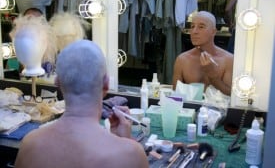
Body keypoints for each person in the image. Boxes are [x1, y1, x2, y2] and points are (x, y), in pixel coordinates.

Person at [14, 40, 149, 168]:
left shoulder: (30, 145)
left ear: (57, 82)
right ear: (106, 84)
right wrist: (125, 142)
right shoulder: (132, 155)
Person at [172, 11, 233, 96]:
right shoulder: (182, 60)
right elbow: (176, 97)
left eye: (201, 27)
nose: (194, 31)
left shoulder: (228, 60)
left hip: (218, 109)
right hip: (190, 108)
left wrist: (213, 77)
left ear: (213, 32)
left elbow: (231, 96)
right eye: (192, 26)